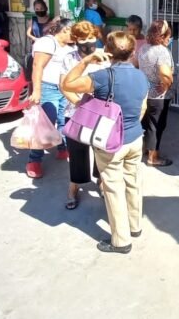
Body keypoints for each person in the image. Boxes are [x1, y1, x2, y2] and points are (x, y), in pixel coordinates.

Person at [61, 32, 149, 254]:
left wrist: (86, 60)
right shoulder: (141, 77)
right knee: (133, 182)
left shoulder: (101, 76)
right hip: (135, 138)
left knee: (113, 188)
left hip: (111, 143)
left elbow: (68, 84)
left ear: (107, 52)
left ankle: (121, 241)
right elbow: (143, 108)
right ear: (133, 51)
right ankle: (135, 225)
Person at [59, 21, 107, 209]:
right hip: (75, 112)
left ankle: (101, 181)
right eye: (82, 39)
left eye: (90, 37)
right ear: (76, 40)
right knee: (77, 152)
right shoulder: (69, 58)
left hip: (100, 114)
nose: (88, 42)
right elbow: (63, 85)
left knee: (100, 150)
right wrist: (79, 104)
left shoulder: (104, 56)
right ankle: (74, 187)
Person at [26, 19, 74, 179]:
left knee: (63, 120)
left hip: (63, 88)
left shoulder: (68, 47)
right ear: (65, 30)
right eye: (73, 33)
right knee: (45, 124)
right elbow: (37, 66)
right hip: (48, 88)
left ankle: (62, 149)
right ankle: (34, 160)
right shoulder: (47, 42)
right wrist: (37, 91)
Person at [138, 20, 175, 167]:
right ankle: (153, 157)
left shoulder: (144, 48)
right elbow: (165, 74)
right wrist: (167, 84)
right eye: (168, 36)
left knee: (147, 124)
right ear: (162, 36)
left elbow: (135, 63)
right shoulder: (162, 51)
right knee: (157, 125)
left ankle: (146, 150)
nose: (169, 39)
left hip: (145, 93)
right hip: (158, 96)